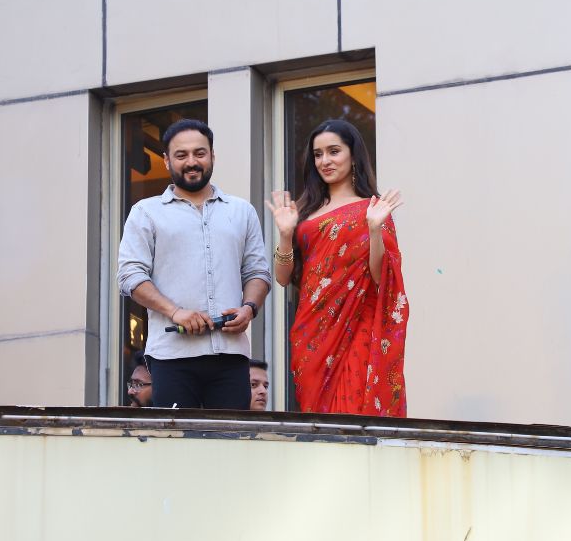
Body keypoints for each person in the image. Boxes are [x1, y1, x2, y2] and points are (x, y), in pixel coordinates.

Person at [117, 119, 271, 410]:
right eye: (181, 155)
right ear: (166, 160)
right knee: (177, 437)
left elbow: (257, 272)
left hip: (231, 354)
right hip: (170, 357)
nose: (191, 162)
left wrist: (249, 308)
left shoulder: (242, 211)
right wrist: (175, 312)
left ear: (212, 156)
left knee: (231, 436)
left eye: (200, 153)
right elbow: (129, 276)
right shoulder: (145, 212)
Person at [266, 119, 408, 417]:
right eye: (318, 154)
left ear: (353, 155)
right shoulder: (304, 211)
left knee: (352, 413)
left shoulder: (371, 210)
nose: (325, 161)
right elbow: (282, 278)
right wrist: (286, 234)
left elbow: (381, 277)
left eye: (334, 151)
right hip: (312, 331)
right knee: (319, 421)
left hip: (357, 326)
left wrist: (374, 230)